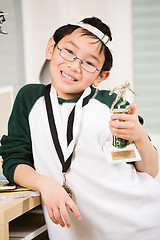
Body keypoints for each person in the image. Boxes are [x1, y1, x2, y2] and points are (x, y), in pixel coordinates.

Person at [0, 16, 160, 240]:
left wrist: (140, 137)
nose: (75, 65)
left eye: (89, 62)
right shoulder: (29, 98)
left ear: (101, 76)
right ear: (51, 48)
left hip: (138, 225)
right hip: (75, 231)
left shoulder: (112, 104)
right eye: (68, 51)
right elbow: (14, 160)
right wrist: (44, 183)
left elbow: (150, 171)